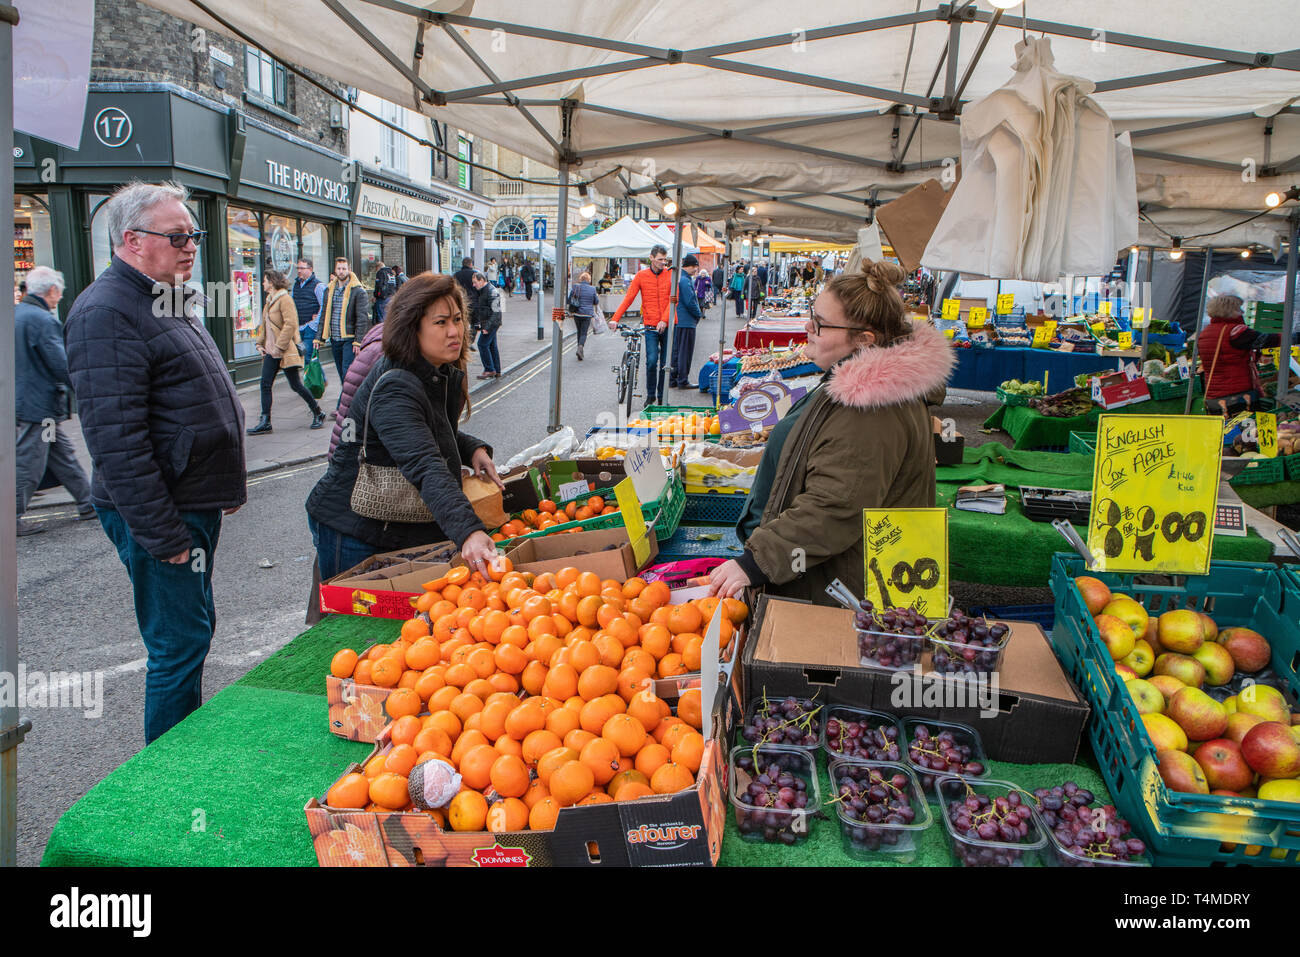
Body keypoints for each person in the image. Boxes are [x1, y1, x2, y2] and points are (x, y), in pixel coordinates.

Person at [64, 180, 246, 743]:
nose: (191, 244)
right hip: (164, 513)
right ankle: (167, 773)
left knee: (193, 630)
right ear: (132, 240)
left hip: (191, 502)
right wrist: (164, 536)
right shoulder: (106, 311)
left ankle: (182, 749)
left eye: (194, 233)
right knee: (177, 645)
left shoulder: (165, 295)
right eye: (178, 235)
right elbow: (117, 443)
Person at [707, 260, 952, 605]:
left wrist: (758, 561)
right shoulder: (857, 384)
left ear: (864, 340)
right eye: (812, 314)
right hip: (833, 576)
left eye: (820, 324)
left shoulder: (871, 408)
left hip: (844, 593)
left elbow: (836, 506)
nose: (807, 325)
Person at [305, 273, 503, 582]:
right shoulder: (396, 385)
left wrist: (469, 447)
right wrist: (469, 531)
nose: (455, 331)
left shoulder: (435, 369)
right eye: (440, 323)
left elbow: (427, 428)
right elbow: (424, 463)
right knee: (358, 626)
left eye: (458, 319)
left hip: (395, 523)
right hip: (357, 528)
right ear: (413, 327)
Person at [14, 266, 94, 536]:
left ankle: (87, 503)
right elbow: (61, 364)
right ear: (51, 290)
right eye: (59, 293)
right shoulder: (41, 320)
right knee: (30, 460)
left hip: (27, 402)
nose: (59, 298)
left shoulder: (17, 314)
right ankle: (11, 516)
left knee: (62, 454)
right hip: (38, 406)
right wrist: (86, 391)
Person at [247, 269, 326, 435]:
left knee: (296, 385)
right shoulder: (269, 300)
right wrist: (259, 344)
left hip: (283, 350)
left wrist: (279, 347)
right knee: (265, 384)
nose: (263, 283)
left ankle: (318, 412)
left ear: (272, 282)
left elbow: (290, 325)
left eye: (265, 280)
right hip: (271, 352)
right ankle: (265, 421)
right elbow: (265, 326)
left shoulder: (285, 299)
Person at [1198, 293, 1296, 414]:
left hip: (1214, 393)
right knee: (1245, 429)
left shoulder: (1206, 332)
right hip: (1238, 394)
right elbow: (1267, 340)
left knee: (1226, 430)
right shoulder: (1235, 331)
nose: (1243, 312)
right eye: (1238, 309)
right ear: (1229, 311)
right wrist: (1295, 337)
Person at [609, 244, 674, 408]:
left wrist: (665, 320)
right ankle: (651, 395)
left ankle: (662, 396)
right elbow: (629, 298)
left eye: (665, 259)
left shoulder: (671, 275)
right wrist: (615, 319)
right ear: (651, 258)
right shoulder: (641, 276)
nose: (663, 263)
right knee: (652, 361)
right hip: (650, 324)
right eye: (660, 259)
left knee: (665, 364)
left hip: (668, 324)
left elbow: (674, 300)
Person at [316, 257, 371, 410]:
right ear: (335, 270)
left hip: (349, 339)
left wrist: (358, 341)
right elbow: (324, 315)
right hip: (335, 338)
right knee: (342, 375)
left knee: (348, 374)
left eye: (344, 268)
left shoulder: (357, 291)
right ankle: (355, 401)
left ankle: (343, 406)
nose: (341, 271)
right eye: (339, 268)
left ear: (349, 270)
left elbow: (362, 318)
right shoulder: (329, 290)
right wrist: (319, 338)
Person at [670, 254, 703, 389]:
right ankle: (682, 380)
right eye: (695, 267)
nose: (696, 270)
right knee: (685, 352)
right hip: (686, 321)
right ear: (690, 266)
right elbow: (690, 301)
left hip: (680, 320)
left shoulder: (681, 278)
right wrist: (698, 314)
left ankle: (673, 379)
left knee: (678, 351)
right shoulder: (685, 280)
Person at [291, 258, 326, 367]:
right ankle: (320, 380)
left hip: (310, 328)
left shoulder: (318, 285)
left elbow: (324, 306)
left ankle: (313, 383)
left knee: (308, 358)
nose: (299, 271)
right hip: (298, 328)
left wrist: (314, 324)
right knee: (302, 359)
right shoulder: (296, 285)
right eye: (298, 268)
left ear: (310, 269)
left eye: (302, 268)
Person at [470, 271, 503, 378]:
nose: (473, 285)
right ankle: (496, 370)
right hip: (489, 323)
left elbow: (496, 312)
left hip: (492, 324)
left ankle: (489, 369)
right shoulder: (483, 290)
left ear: (482, 280)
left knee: (482, 344)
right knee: (492, 346)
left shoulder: (491, 291)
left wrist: (487, 327)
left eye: (475, 282)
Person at [567, 270, 599, 360]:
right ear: (589, 280)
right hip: (587, 314)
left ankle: (579, 349)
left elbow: (569, 300)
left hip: (577, 313)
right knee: (584, 332)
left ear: (581, 279)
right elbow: (596, 302)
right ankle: (580, 347)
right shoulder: (592, 289)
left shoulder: (575, 287)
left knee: (579, 331)